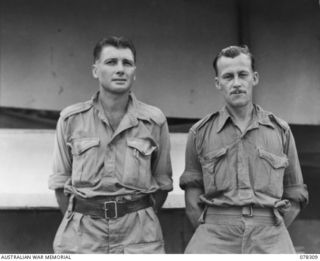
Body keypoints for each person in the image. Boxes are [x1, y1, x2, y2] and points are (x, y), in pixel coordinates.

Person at [49, 36, 173, 254]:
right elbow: (60, 185)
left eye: (127, 63)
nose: (120, 69)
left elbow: (162, 183)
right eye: (111, 62)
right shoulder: (71, 119)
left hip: (139, 236)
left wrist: (135, 217)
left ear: (134, 70)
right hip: (83, 236)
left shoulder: (154, 120)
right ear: (95, 70)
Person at [179, 45, 308, 254]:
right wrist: (219, 228)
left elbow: (295, 194)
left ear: (254, 78)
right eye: (228, 77)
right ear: (217, 83)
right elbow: (192, 201)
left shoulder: (280, 131)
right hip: (215, 235)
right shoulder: (199, 133)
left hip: (270, 234)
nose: (237, 83)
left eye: (243, 75)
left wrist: (267, 228)